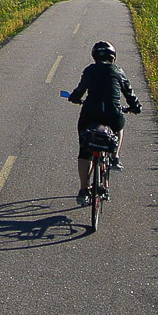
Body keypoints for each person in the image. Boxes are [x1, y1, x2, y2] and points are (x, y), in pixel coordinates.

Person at [67, 40, 142, 203]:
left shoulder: (89, 71)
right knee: (119, 127)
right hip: (112, 114)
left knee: (84, 150)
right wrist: (135, 107)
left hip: (90, 114)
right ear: (113, 57)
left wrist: (74, 98)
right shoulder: (118, 71)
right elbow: (129, 94)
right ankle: (115, 156)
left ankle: (83, 189)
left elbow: (80, 90)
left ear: (94, 56)